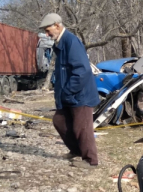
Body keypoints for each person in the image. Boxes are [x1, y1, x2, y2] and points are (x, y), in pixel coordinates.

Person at [39, 13, 100, 169]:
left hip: (80, 95)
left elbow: (82, 71)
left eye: (48, 30)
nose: (47, 34)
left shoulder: (71, 41)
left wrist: (68, 91)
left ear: (57, 26)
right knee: (59, 121)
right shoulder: (60, 43)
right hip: (68, 95)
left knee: (82, 128)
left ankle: (90, 160)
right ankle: (76, 151)